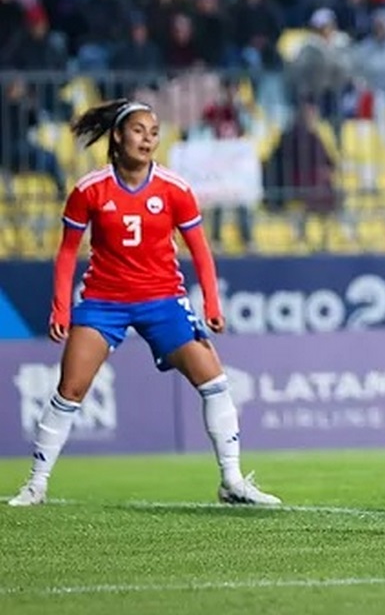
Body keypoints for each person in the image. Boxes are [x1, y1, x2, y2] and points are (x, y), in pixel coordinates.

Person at [7, 100, 280, 508]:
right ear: (117, 136)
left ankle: (232, 481)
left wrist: (212, 303)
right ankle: (36, 484)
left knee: (215, 382)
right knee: (70, 389)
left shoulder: (175, 189)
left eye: (153, 132)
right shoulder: (89, 190)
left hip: (163, 300)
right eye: (138, 130)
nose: (147, 138)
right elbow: (66, 254)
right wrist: (61, 308)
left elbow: (200, 251)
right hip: (104, 301)